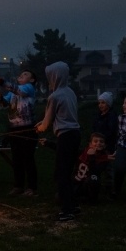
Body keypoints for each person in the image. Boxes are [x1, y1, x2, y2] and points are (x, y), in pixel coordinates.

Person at [35, 61, 81, 222]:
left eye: (50, 77)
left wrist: (40, 128)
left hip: (65, 136)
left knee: (61, 174)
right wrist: (42, 123)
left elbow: (47, 124)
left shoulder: (54, 96)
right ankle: (73, 205)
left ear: (55, 77)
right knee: (67, 172)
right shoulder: (70, 92)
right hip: (75, 134)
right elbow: (59, 116)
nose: (49, 80)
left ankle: (67, 210)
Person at [0, 68, 38, 196]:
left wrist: (0, 81)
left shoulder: (29, 88)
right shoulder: (13, 93)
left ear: (32, 79)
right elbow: (4, 104)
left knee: (28, 158)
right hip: (14, 129)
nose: (21, 75)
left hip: (27, 129)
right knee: (17, 159)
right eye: (21, 74)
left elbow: (19, 91)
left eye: (26, 73)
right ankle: (18, 186)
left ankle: (32, 187)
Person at [92, 91, 117, 197]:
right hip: (96, 145)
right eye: (99, 103)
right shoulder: (98, 116)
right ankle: (94, 184)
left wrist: (102, 139)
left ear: (108, 104)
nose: (100, 105)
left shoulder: (111, 116)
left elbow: (111, 131)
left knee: (108, 168)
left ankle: (109, 189)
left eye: (103, 103)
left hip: (107, 146)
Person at [74, 132, 111, 203]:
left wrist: (92, 157)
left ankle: (92, 199)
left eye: (101, 142)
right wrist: (48, 143)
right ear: (90, 144)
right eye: (95, 141)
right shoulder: (83, 152)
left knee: (93, 178)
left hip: (89, 183)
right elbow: (66, 150)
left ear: (105, 145)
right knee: (59, 197)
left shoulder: (104, 159)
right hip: (77, 181)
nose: (98, 143)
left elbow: (94, 171)